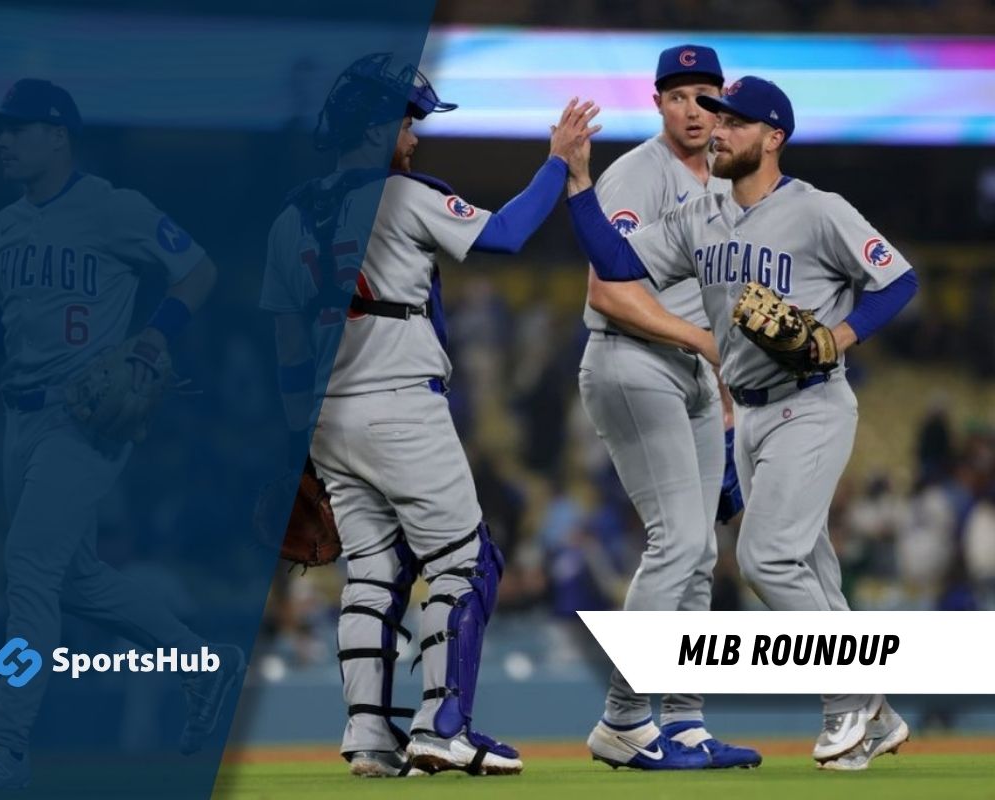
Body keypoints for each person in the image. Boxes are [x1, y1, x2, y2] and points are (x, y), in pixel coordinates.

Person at [260, 53, 599, 777]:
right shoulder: (402, 196)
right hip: (399, 403)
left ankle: (368, 738)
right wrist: (556, 162)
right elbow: (504, 235)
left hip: (327, 418)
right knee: (465, 561)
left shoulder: (289, 217)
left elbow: (287, 344)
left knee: (373, 572)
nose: (413, 136)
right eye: (407, 121)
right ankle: (444, 724)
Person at [565, 75, 915, 771]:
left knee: (766, 558)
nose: (714, 128)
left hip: (810, 399)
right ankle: (872, 710)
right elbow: (616, 263)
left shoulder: (819, 210)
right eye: (714, 118)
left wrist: (838, 338)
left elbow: (897, 280)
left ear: (772, 136)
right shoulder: (703, 214)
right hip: (749, 411)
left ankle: (846, 701)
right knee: (813, 567)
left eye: (732, 120)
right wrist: (577, 183)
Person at [0, 79, 240, 790]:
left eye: (17, 128)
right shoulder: (7, 225)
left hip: (84, 418)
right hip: (19, 419)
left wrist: (154, 338)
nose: (1, 139)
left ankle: (5, 743)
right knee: (75, 580)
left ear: (57, 136)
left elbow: (198, 270)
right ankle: (201, 665)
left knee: (28, 567)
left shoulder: (112, 207)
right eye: (0, 128)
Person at [578, 44, 760, 771]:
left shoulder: (722, 184)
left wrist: (722, 392)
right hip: (632, 362)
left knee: (700, 555)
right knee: (678, 542)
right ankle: (623, 719)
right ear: (657, 103)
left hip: (695, 380)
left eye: (706, 96)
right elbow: (608, 289)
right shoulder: (637, 174)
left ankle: (683, 723)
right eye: (679, 95)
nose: (694, 109)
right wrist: (706, 346)